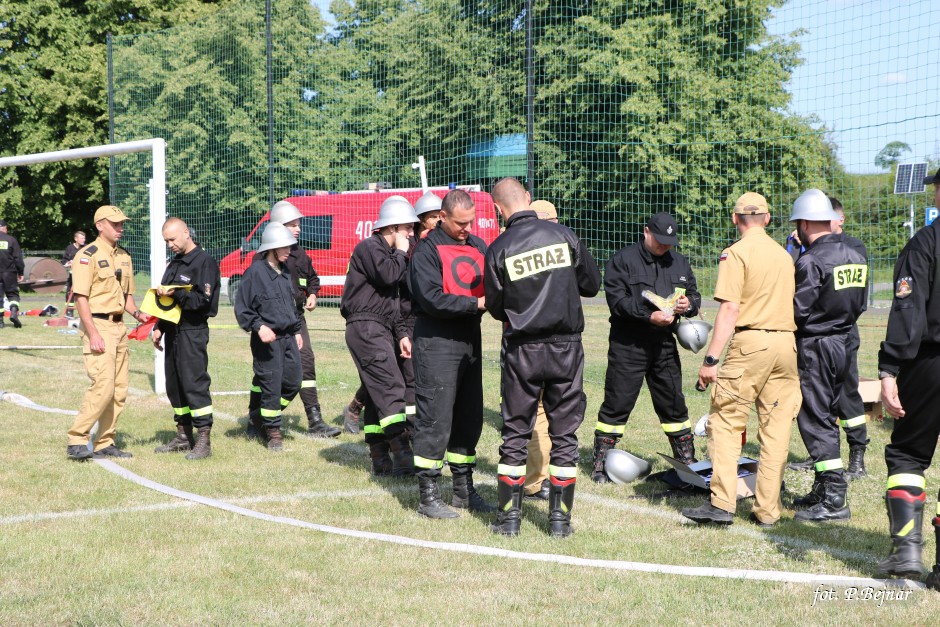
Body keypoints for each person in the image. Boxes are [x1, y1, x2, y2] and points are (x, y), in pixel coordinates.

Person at [485, 179, 601, 536]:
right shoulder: (565, 236)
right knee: (564, 436)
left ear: (497, 209)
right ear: (528, 198)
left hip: (522, 350)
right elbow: (591, 285)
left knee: (515, 434)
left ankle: (509, 522)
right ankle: (560, 523)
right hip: (566, 348)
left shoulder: (498, 247)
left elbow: (495, 308)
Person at [681, 192, 801, 527]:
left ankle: (721, 504)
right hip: (786, 346)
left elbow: (730, 309)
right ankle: (768, 511)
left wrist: (711, 359)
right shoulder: (784, 257)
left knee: (725, 422)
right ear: (767, 218)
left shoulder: (735, 253)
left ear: (735, 219)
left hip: (750, 345)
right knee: (776, 431)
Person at [591, 212, 702, 482]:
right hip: (628, 344)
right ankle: (601, 463)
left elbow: (695, 295)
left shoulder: (679, 262)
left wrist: (689, 305)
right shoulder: (623, 260)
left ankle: (686, 459)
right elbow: (617, 301)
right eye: (659, 240)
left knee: (673, 404)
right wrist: (648, 316)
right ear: (646, 232)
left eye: (669, 242)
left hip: (664, 345)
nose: (664, 246)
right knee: (618, 403)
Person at [410, 189, 493, 519]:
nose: (466, 229)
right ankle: (428, 495)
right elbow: (431, 298)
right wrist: (475, 304)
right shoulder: (426, 251)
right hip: (436, 342)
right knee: (435, 418)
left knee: (469, 417)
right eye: (460, 223)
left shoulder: (478, 246)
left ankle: (463, 490)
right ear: (442, 217)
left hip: (470, 340)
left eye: (471, 222)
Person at [875, 168, 940, 590]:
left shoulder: (926, 242)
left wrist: (889, 369)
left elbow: (908, 311)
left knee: (908, 456)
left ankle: (908, 553)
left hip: (929, 364)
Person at [788, 190, 866, 522]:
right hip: (845, 341)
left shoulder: (810, 261)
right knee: (831, 410)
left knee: (816, 417)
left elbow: (798, 311)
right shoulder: (856, 255)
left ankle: (834, 496)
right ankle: (823, 487)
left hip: (817, 346)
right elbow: (860, 304)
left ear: (805, 223)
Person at [341, 196, 416, 475]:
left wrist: (401, 334)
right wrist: (402, 253)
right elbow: (388, 275)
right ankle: (404, 455)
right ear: (392, 227)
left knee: (375, 394)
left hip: (381, 327)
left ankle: (380, 458)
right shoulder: (370, 247)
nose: (410, 234)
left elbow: (392, 304)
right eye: (407, 228)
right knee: (392, 387)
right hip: (366, 327)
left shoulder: (389, 253)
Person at [66, 205, 145, 461]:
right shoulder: (86, 255)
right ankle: (77, 439)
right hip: (98, 325)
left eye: (122, 223)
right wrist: (93, 333)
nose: (120, 228)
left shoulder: (124, 256)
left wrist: (140, 315)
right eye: (115, 224)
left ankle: (105, 442)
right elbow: (80, 298)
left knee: (119, 389)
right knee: (102, 386)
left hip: (120, 327)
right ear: (100, 225)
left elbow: (127, 296)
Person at [265, 201, 340, 438]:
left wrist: (313, 294)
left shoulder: (299, 253)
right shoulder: (264, 259)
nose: (298, 229)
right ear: (279, 226)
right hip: (273, 322)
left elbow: (312, 278)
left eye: (298, 225)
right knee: (271, 372)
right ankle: (260, 418)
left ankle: (315, 421)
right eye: (292, 225)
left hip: (297, 319)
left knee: (306, 363)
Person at [151, 218, 221, 460]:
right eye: (166, 241)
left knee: (194, 383)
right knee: (175, 385)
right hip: (172, 331)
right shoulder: (174, 264)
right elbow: (166, 301)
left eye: (172, 239)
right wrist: (159, 326)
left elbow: (204, 302)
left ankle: (203, 440)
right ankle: (183, 435)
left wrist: (177, 293)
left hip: (193, 331)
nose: (170, 244)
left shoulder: (204, 262)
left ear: (186, 232)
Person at [234, 222, 304, 452]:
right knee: (271, 386)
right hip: (267, 340)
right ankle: (273, 433)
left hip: (288, 337)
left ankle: (258, 416)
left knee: (293, 382)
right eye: (284, 247)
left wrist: (297, 330)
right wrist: (259, 326)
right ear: (272, 248)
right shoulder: (255, 273)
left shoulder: (285, 272)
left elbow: (291, 305)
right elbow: (242, 308)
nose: (289, 251)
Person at [521, 199, 561, 501]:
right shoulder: (566, 247)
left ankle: (538, 480)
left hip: (528, 345)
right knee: (552, 412)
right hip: (560, 345)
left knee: (536, 412)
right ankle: (546, 480)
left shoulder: (515, 247)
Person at [0, 218, 25, 328]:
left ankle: (0, 322)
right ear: (5, 228)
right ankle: (14, 313)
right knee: (12, 294)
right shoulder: (11, 240)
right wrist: (21, 272)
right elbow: (18, 258)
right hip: (9, 272)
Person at [62, 230, 86, 318]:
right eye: (81, 238)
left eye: (84, 238)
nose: (83, 240)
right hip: (72, 275)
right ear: (76, 239)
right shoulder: (70, 248)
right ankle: (69, 311)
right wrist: (68, 263)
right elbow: (64, 260)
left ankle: (85, 312)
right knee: (70, 292)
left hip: (83, 275)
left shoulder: (86, 248)